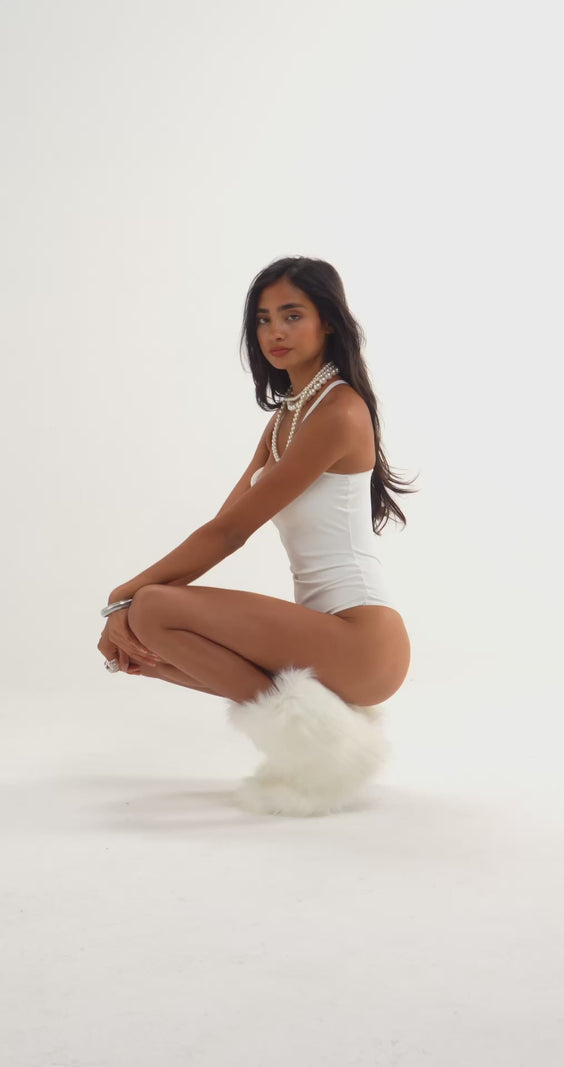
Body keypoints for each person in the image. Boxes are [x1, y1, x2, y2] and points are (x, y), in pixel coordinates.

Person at [97, 256, 418, 815]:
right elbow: (222, 523)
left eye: (292, 315)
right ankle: (322, 743)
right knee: (150, 642)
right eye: (263, 319)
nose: (274, 332)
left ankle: (322, 750)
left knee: (151, 609)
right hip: (327, 637)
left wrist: (121, 598)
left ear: (329, 322)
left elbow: (230, 532)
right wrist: (131, 623)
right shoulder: (286, 419)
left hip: (363, 641)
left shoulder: (339, 413)